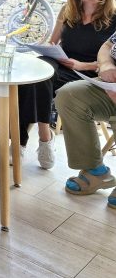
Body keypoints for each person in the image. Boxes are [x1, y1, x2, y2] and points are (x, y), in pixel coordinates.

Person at [14, 0, 116, 169]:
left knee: (38, 85)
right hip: (62, 64)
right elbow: (53, 43)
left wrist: (82, 65)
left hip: (91, 73)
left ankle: (25, 141)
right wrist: (51, 51)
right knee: (36, 75)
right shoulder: (67, 10)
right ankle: (43, 136)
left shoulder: (114, 17)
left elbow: (110, 62)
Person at [54, 30, 116, 210]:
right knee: (69, 96)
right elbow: (108, 46)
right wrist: (105, 64)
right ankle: (96, 171)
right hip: (111, 86)